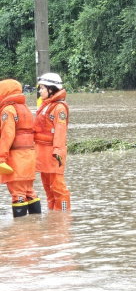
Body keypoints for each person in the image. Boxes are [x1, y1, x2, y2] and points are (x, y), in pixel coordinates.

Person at [0, 79, 40, 217]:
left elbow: (7, 135)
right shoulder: (25, 108)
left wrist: (1, 158)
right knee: (29, 192)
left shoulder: (8, 110)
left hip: (16, 158)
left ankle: (19, 232)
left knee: (18, 194)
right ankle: (36, 225)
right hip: (29, 156)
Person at [33, 73, 71, 211]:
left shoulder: (59, 108)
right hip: (42, 153)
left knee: (58, 188)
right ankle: (53, 218)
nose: (40, 91)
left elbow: (60, 131)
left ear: (51, 89)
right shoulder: (44, 106)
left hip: (53, 154)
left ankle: (63, 216)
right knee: (48, 189)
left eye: (42, 88)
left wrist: (58, 151)